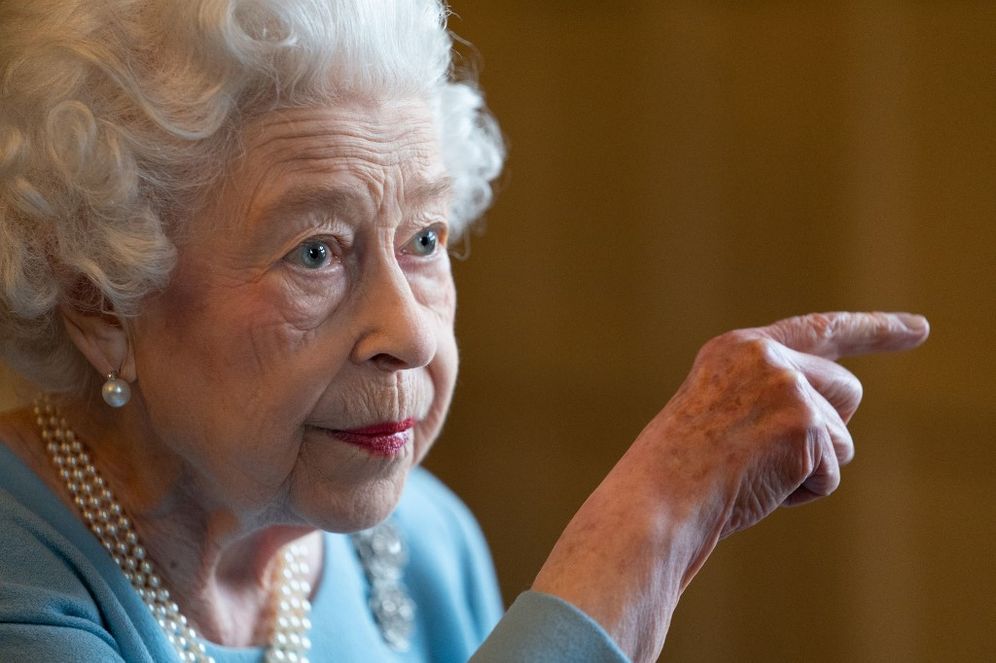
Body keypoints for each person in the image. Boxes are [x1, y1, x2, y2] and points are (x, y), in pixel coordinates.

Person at [0, 1, 929, 661]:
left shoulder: (427, 543)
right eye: (316, 252)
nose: (407, 330)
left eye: (426, 238)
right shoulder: (22, 582)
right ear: (102, 304)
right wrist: (652, 518)